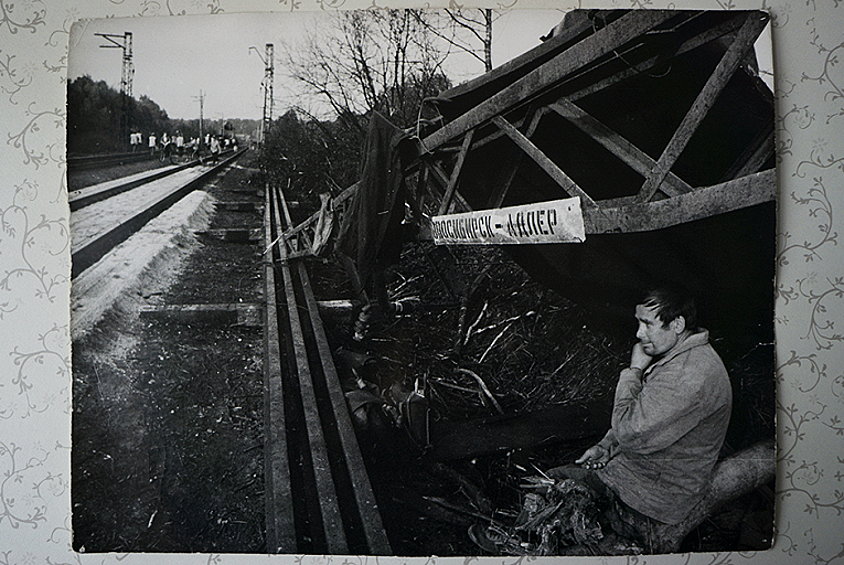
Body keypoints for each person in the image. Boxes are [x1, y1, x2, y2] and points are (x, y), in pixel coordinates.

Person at [574, 285, 733, 543]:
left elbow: (630, 431)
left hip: (652, 499)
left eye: (648, 324)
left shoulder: (688, 375)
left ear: (678, 324)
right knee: (558, 482)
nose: (639, 333)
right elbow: (645, 416)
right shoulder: (681, 354)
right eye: (639, 323)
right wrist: (606, 445)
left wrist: (634, 371)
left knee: (557, 492)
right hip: (641, 473)